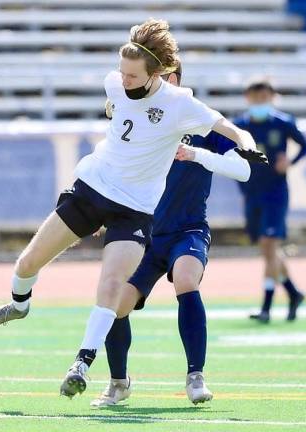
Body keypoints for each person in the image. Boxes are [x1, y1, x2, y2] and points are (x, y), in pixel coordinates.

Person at [0, 19, 263, 399]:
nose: (122, 79)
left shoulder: (180, 104)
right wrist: (115, 105)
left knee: (112, 287)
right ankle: (18, 305)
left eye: (131, 75)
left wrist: (245, 142)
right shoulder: (115, 83)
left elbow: (227, 126)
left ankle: (83, 363)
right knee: (28, 263)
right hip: (91, 189)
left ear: (156, 72)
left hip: (135, 208)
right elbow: (118, 105)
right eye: (121, 72)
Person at [91, 65, 266, 408]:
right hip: (145, 233)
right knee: (117, 304)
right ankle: (118, 382)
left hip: (188, 229)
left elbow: (244, 170)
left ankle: (195, 376)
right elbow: (114, 166)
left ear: (172, 81)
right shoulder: (139, 120)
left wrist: (196, 154)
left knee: (186, 278)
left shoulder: (200, 120)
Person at [235, 79, 306, 323]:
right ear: (248, 98)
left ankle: (266, 307)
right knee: (267, 250)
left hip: (276, 193)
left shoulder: (283, 122)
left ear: (272, 97)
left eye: (265, 97)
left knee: (269, 245)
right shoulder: (240, 126)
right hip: (251, 193)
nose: (260, 102)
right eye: (256, 97)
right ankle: (293, 292)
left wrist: (290, 161)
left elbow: (305, 146)